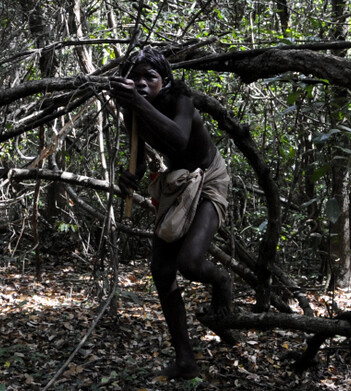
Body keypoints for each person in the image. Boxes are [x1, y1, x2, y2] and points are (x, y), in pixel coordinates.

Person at [110, 47, 233, 380]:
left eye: (149, 77)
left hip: (209, 178)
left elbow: (178, 140)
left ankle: (221, 280)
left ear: (164, 82)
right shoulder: (132, 112)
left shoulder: (181, 100)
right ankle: (185, 360)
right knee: (161, 269)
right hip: (178, 183)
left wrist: (135, 102)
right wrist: (129, 176)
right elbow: (137, 155)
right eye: (134, 77)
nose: (141, 83)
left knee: (190, 263)